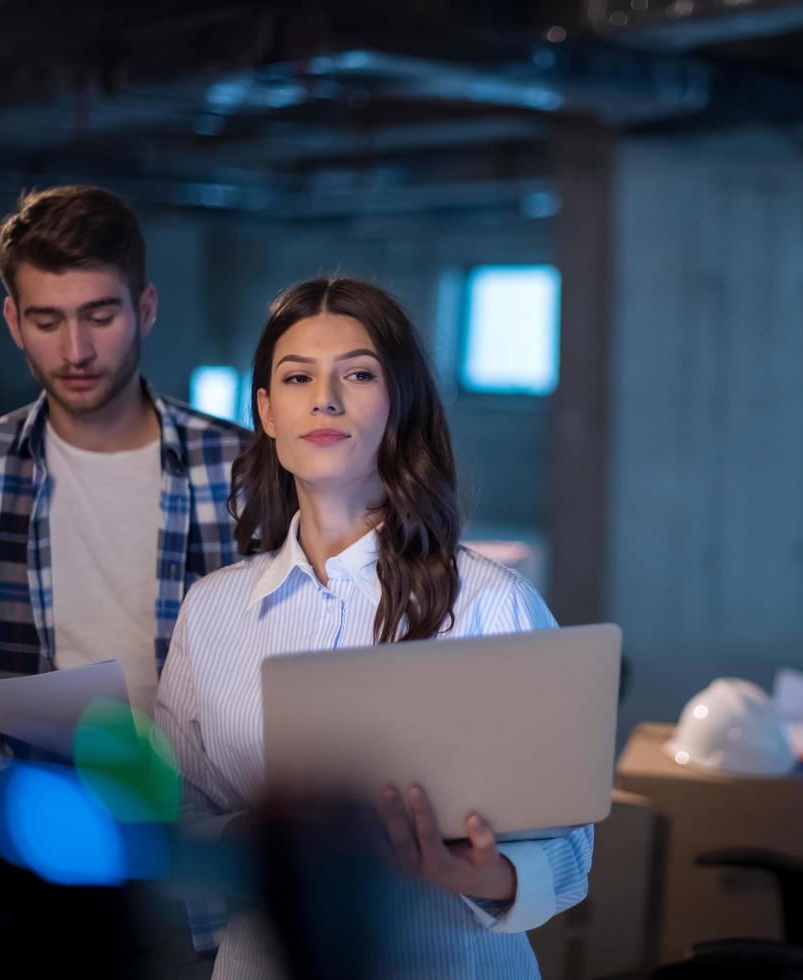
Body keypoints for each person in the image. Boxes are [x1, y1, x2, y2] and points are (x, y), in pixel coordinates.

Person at [154, 277, 591, 979]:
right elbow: (170, 828)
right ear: (266, 410)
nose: (324, 398)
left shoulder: (491, 604)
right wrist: (267, 840)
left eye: (357, 374)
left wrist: (477, 872)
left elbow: (570, 853)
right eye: (297, 378)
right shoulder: (212, 611)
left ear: (400, 404)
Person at [0, 185, 250, 716]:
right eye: (46, 322)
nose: (75, 351)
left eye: (100, 317)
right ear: (15, 322)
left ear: (146, 310)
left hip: (203, 792)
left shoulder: (239, 467)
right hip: (25, 788)